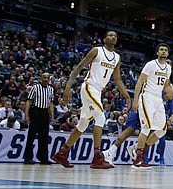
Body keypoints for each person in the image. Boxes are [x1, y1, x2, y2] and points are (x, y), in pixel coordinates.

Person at [52, 30, 131, 169]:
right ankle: (97, 157)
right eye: (110, 35)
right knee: (100, 118)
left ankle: (62, 153)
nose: (113, 37)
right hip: (89, 87)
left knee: (82, 125)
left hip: (98, 91)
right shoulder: (96, 51)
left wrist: (127, 96)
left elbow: (117, 79)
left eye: (115, 36)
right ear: (104, 38)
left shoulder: (117, 57)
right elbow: (78, 67)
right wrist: (67, 88)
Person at [131, 43, 173, 168]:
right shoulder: (151, 64)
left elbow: (166, 87)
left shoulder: (168, 68)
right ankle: (138, 158)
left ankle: (138, 150)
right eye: (161, 50)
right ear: (157, 52)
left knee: (162, 130)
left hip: (158, 99)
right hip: (147, 96)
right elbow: (140, 82)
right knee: (146, 127)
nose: (163, 52)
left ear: (168, 54)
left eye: (165, 50)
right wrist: (135, 100)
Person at [23, 72, 55, 165]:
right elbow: (29, 101)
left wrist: (52, 116)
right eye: (44, 77)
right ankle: (28, 158)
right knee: (31, 136)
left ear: (49, 79)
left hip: (45, 113)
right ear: (41, 78)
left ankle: (43, 158)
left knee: (44, 137)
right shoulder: (35, 87)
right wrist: (26, 115)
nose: (45, 79)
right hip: (36, 112)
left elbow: (51, 103)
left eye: (47, 78)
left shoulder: (51, 89)